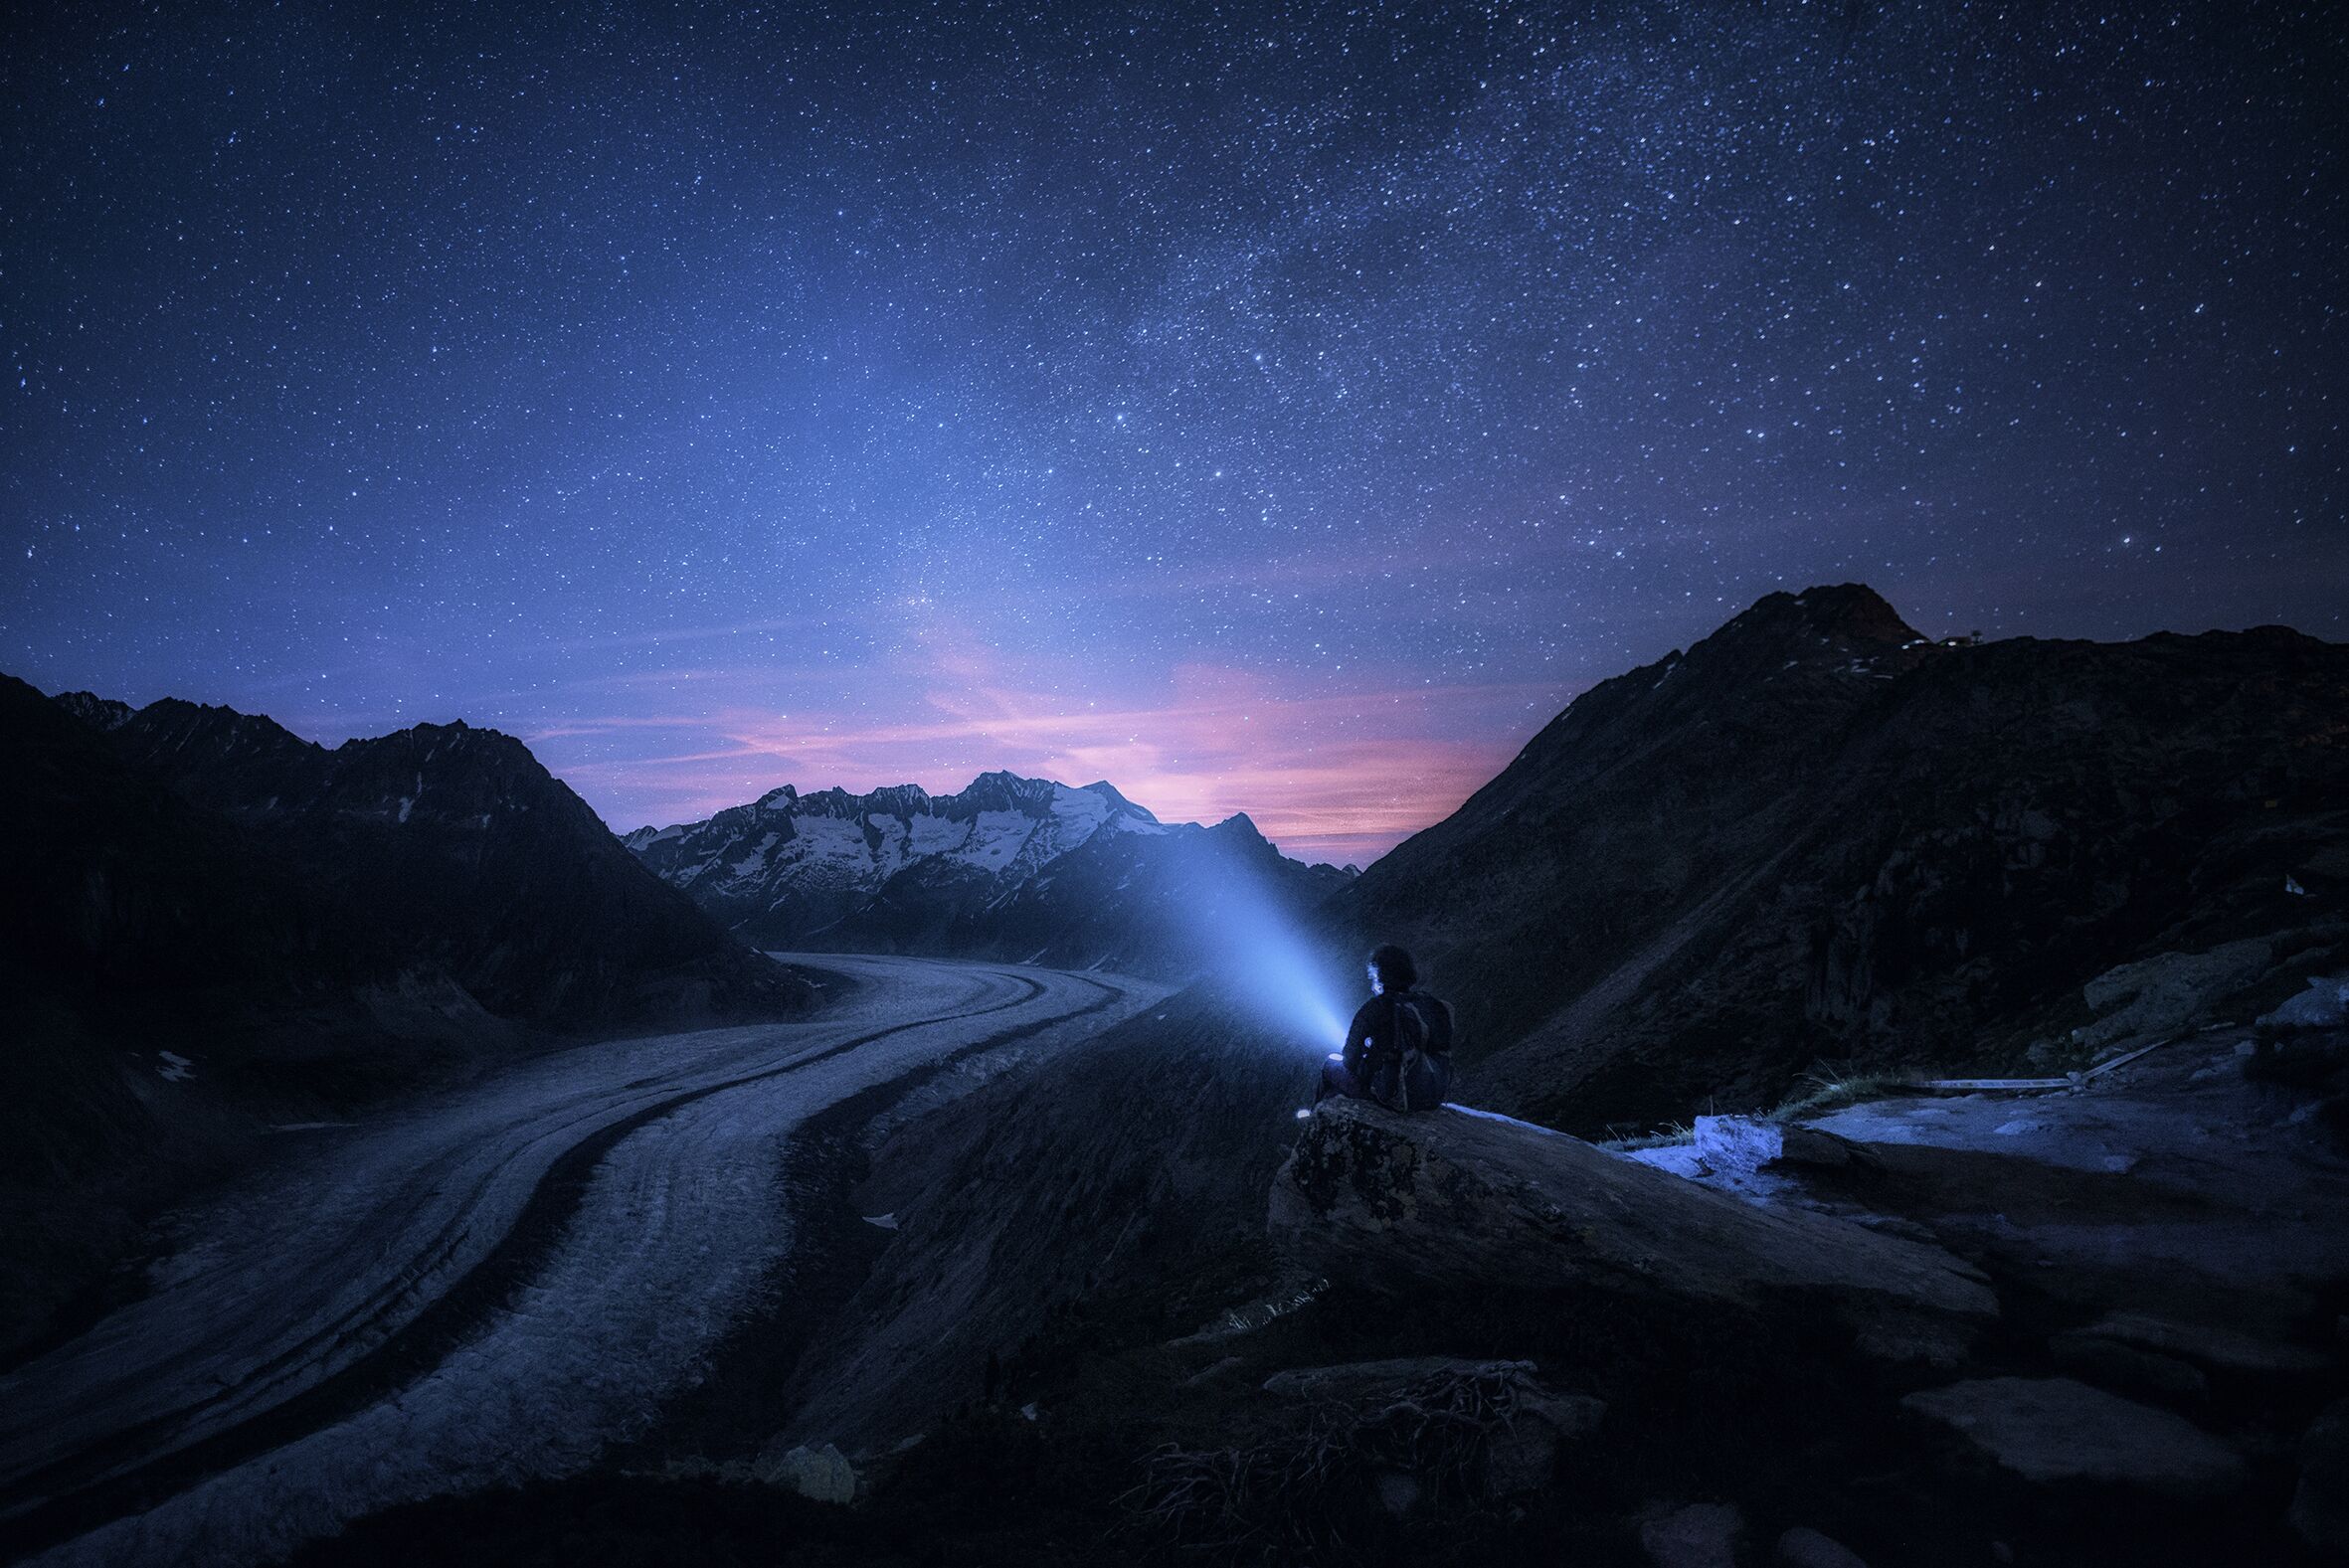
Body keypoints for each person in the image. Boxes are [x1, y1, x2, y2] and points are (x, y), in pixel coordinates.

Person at [1315, 944, 1454, 1112]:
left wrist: (1369, 1058)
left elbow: (1349, 1061)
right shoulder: (1430, 1004)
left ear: (1380, 977)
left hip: (1393, 1096)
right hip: (1433, 1097)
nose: (1372, 984)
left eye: (1372, 977)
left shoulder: (1375, 1008)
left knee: (1330, 1064)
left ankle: (1318, 1119)